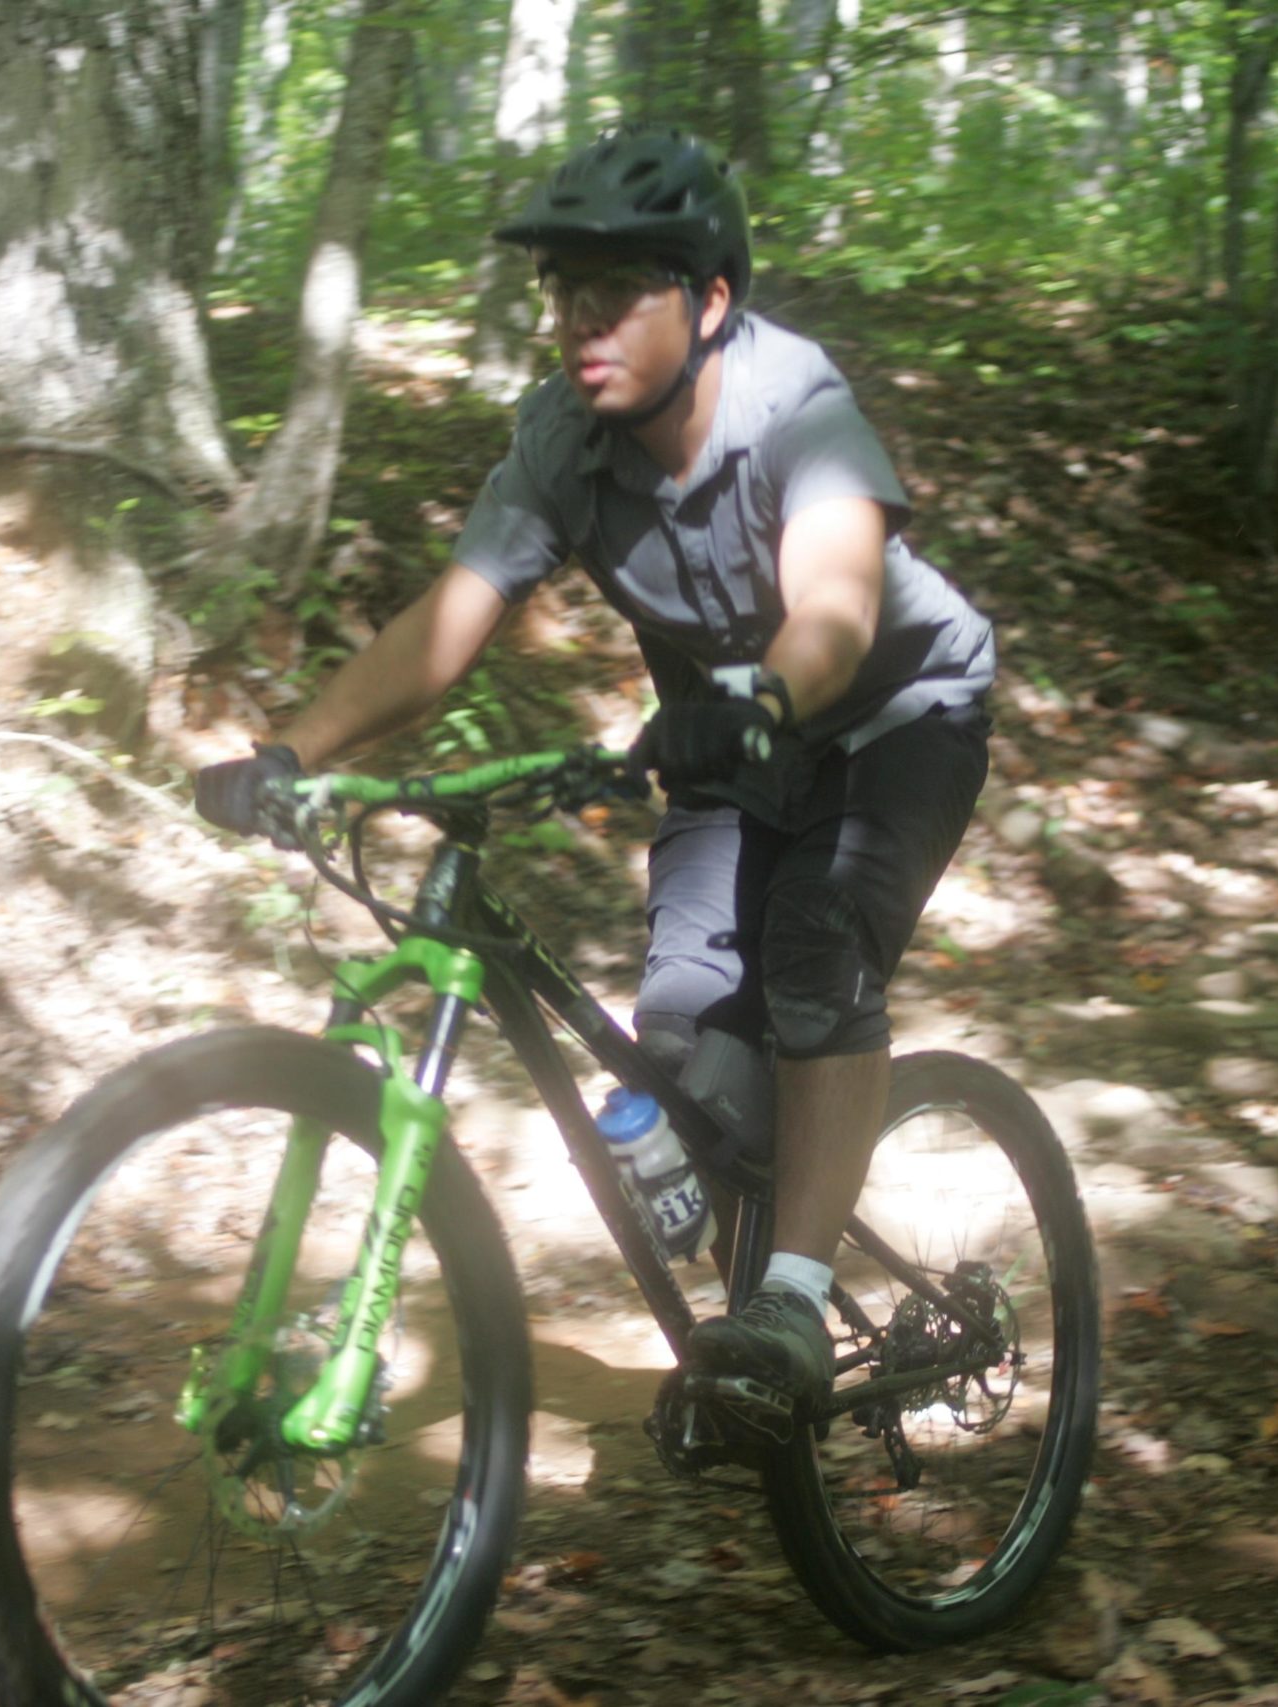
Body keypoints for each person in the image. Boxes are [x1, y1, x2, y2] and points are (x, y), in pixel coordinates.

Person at [194, 125, 995, 1413]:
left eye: (619, 290)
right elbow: (448, 621)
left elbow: (837, 611)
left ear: (711, 301)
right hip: (727, 750)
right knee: (681, 1051)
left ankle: (791, 1303)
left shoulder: (797, 409)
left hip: (892, 720)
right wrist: (291, 752)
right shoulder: (565, 441)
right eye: (564, 289)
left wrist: (757, 698)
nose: (582, 319)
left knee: (813, 947)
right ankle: (755, 1331)